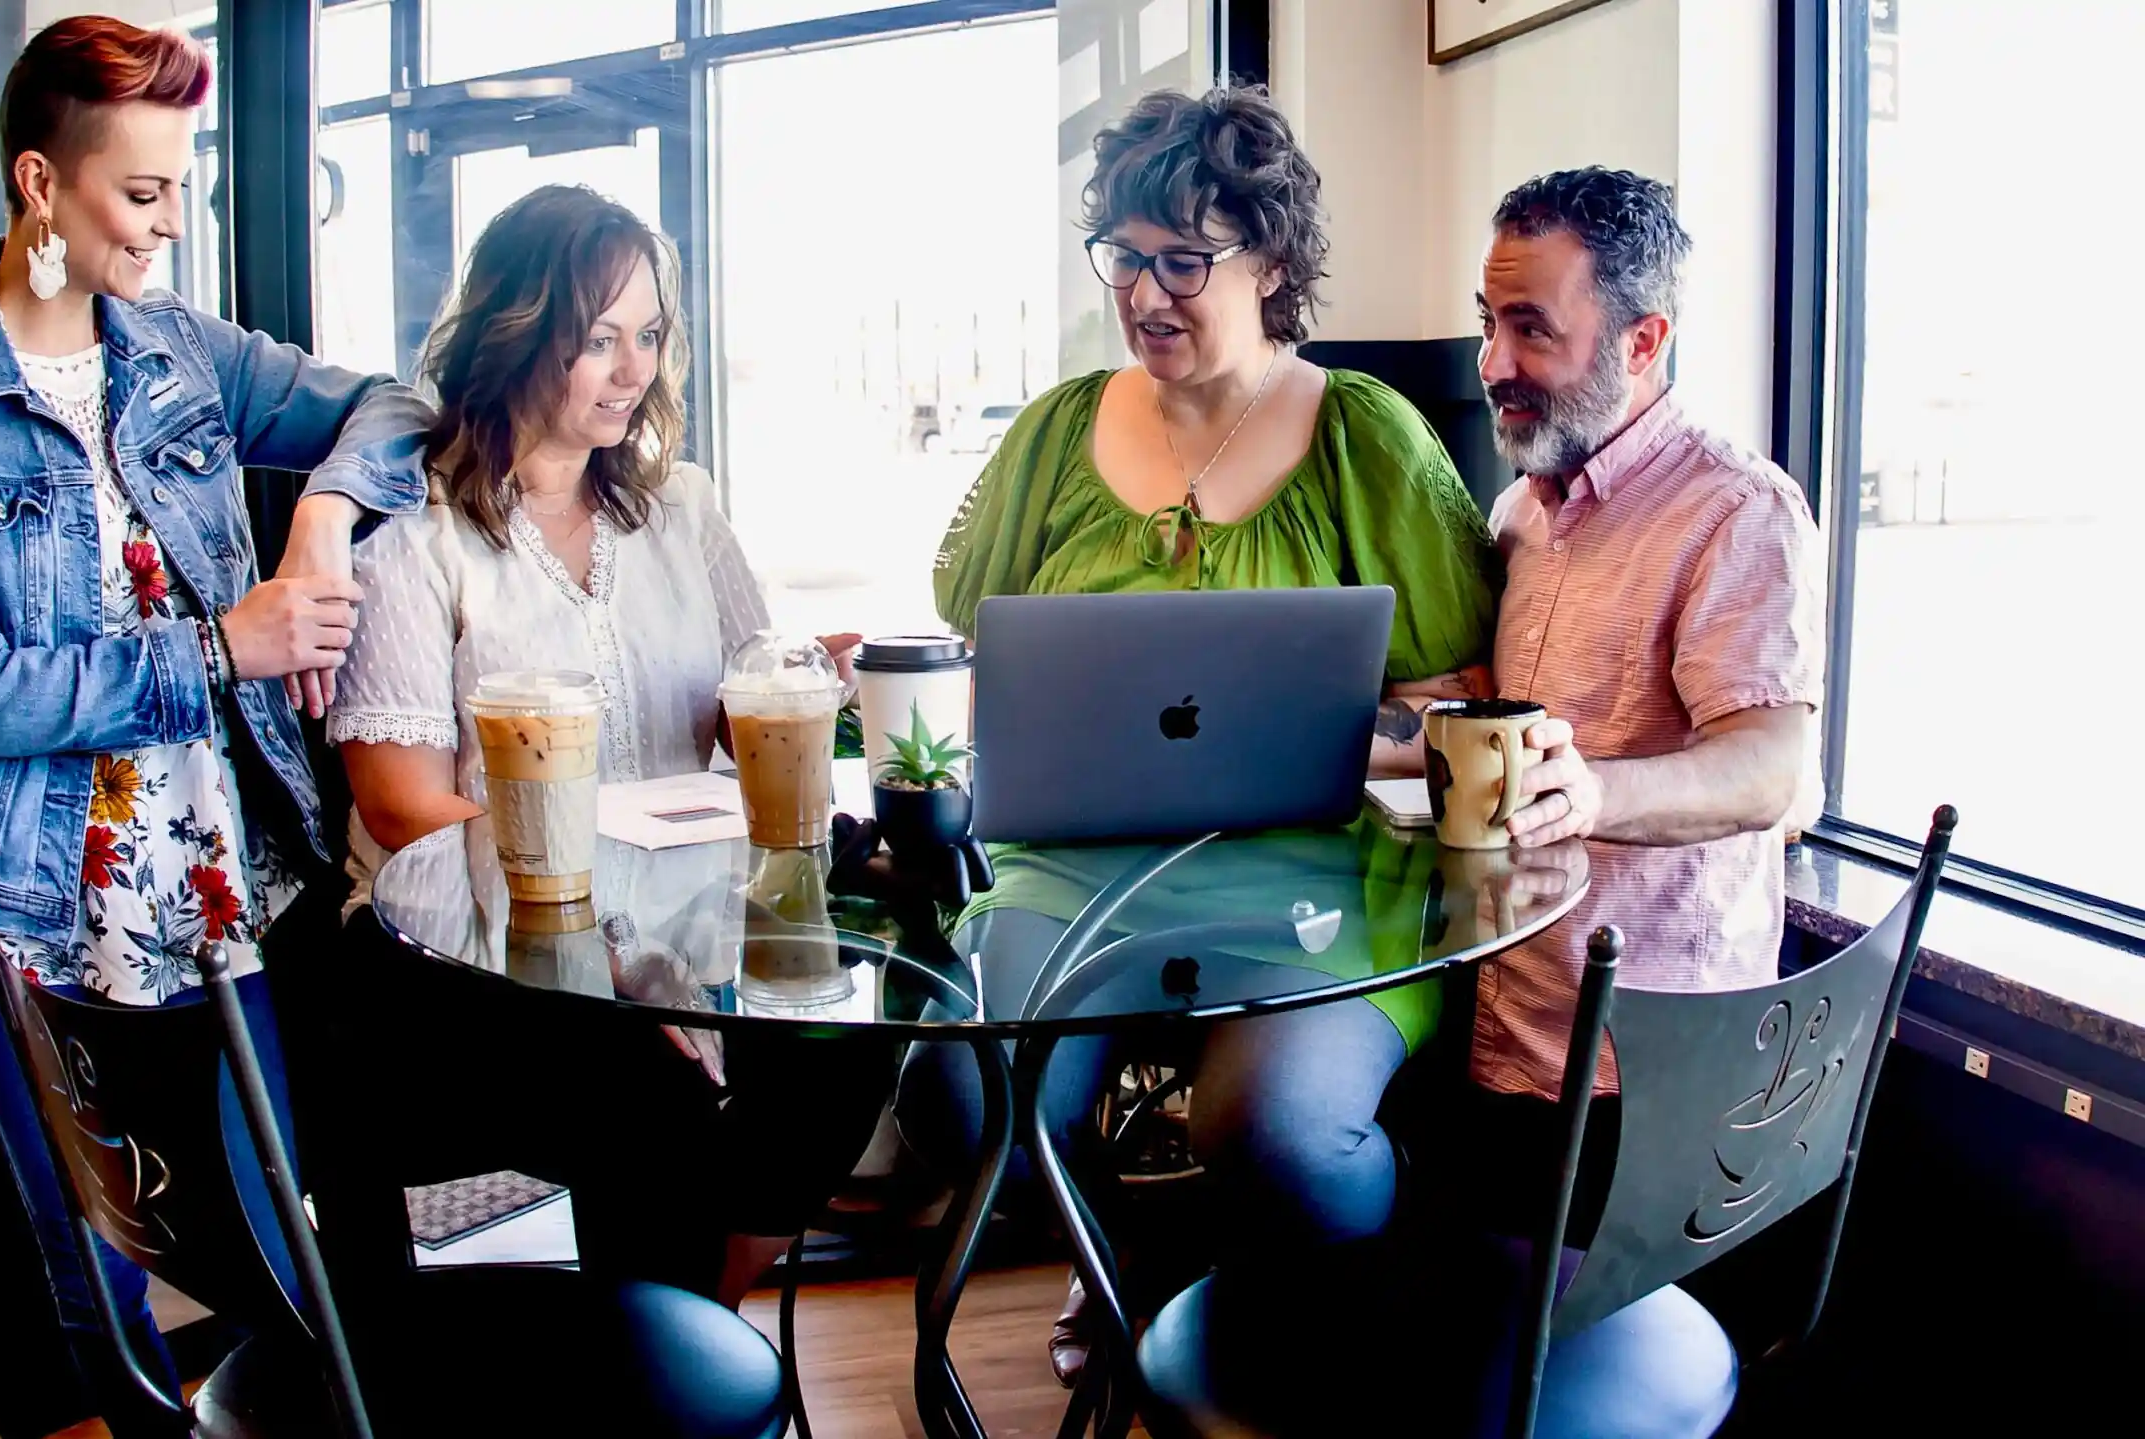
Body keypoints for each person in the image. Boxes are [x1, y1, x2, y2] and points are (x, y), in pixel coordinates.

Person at [0, 17, 427, 1432]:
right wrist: (223, 642)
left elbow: (396, 402)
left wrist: (320, 518)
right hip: (28, 891)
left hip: (219, 872)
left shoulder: (179, 354)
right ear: (40, 185)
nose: (175, 225)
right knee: (100, 1259)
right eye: (144, 193)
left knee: (262, 1214)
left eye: (186, 189)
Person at [904, 85, 1501, 1383]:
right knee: (962, 1102)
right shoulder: (1059, 433)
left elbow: (1463, 700)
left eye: (1185, 259)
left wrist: (1319, 735)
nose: (1144, 292)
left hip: (1312, 873)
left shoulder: (1367, 437)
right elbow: (967, 647)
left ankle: (1341, 1280)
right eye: (1123, 256)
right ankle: (1132, 1255)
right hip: (1077, 875)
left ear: (1273, 260)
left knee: (1283, 1133)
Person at [326, 183, 882, 1304]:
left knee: (847, 1028)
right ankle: (671, 1350)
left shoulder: (678, 508)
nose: (634, 369)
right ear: (516, 335)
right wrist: (609, 946)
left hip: (677, 922)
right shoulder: (417, 531)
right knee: (649, 1100)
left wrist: (809, 678)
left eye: (650, 336)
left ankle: (690, 1318)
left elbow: (743, 698)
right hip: (462, 950)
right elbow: (399, 806)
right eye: (598, 340)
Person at [1447, 165, 1824, 1217]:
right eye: (1487, 322)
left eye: (1531, 329)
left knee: (1523, 1367)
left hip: (1646, 1073)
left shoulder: (1738, 510)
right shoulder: (1517, 509)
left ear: (1641, 342)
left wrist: (1597, 793)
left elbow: (1767, 771)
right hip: (1502, 1032)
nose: (1492, 363)